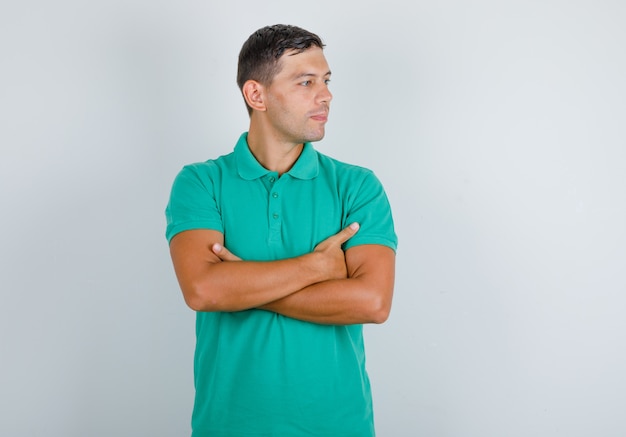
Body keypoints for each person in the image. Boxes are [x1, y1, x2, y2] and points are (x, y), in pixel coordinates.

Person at [165, 24, 397, 437]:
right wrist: (316, 267)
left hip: (339, 426)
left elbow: (372, 302)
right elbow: (203, 290)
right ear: (256, 95)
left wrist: (243, 287)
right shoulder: (201, 183)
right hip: (230, 426)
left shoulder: (357, 186)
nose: (325, 95)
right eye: (306, 82)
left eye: (325, 81)